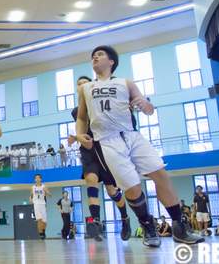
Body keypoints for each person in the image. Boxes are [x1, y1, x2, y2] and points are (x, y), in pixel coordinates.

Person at [75, 45, 203, 247]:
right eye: (92, 56)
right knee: (132, 189)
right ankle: (147, 225)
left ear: (111, 62)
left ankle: (179, 226)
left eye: (99, 55)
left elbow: (147, 108)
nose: (94, 58)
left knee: (161, 174)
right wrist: (80, 134)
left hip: (132, 136)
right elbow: (82, 117)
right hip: (108, 141)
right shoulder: (85, 89)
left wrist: (146, 106)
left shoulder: (126, 83)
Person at [69, 75, 131, 242]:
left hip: (105, 149)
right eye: (78, 84)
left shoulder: (101, 104)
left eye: (85, 84)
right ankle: (95, 222)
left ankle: (125, 218)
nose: (81, 86)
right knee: (91, 180)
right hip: (88, 151)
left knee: (112, 191)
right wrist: (76, 138)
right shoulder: (76, 112)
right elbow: (81, 129)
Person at [30, 173, 50, 239]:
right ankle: (40, 233)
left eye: (38, 178)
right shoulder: (33, 187)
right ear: (35, 179)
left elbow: (49, 194)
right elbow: (31, 195)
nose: (37, 179)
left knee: (44, 221)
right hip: (36, 204)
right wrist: (30, 198)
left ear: (41, 179)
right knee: (39, 219)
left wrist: (47, 192)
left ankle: (43, 231)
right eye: (36, 178)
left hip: (43, 204)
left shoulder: (43, 186)